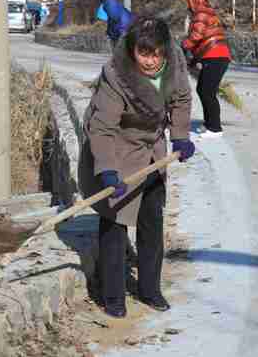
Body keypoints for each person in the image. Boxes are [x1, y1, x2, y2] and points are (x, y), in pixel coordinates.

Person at [78, 16, 195, 318]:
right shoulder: (116, 75)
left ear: (165, 50)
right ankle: (113, 296)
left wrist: (180, 137)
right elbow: (102, 127)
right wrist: (107, 168)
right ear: (132, 50)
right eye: (144, 53)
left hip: (152, 148)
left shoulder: (176, 63)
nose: (150, 61)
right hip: (117, 146)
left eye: (156, 53)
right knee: (114, 222)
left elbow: (182, 99)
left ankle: (150, 289)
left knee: (151, 221)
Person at [179, 0, 231, 138]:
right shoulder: (205, 11)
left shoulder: (201, 13)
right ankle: (209, 124)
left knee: (207, 92)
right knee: (203, 90)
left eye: (188, 1)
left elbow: (196, 35)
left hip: (216, 55)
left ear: (194, 0)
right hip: (214, 56)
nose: (187, 4)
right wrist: (193, 59)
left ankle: (215, 129)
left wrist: (183, 45)